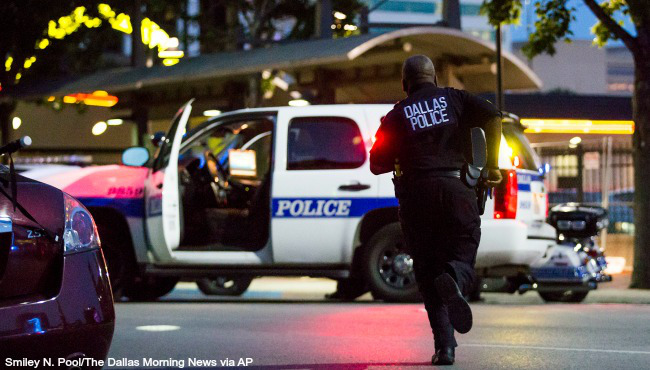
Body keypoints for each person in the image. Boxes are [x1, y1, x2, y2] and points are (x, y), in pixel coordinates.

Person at [369, 55, 502, 365]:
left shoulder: (396, 116)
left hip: (417, 198)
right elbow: (493, 115)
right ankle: (456, 277)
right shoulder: (454, 99)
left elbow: (377, 164)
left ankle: (445, 348)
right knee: (463, 252)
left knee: (428, 272)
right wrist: (492, 165)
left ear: (405, 84)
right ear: (435, 80)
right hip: (458, 192)